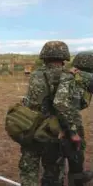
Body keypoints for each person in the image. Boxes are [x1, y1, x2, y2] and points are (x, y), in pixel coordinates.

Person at [20, 41, 71, 186]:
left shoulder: (35, 75)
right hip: (53, 131)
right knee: (54, 170)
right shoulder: (67, 76)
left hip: (30, 126)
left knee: (29, 168)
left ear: (44, 56)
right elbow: (66, 108)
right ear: (64, 58)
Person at [54, 51, 93, 186]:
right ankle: (76, 178)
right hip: (69, 119)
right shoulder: (84, 76)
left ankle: (75, 176)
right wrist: (72, 130)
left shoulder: (68, 73)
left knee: (66, 151)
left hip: (56, 119)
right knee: (75, 148)